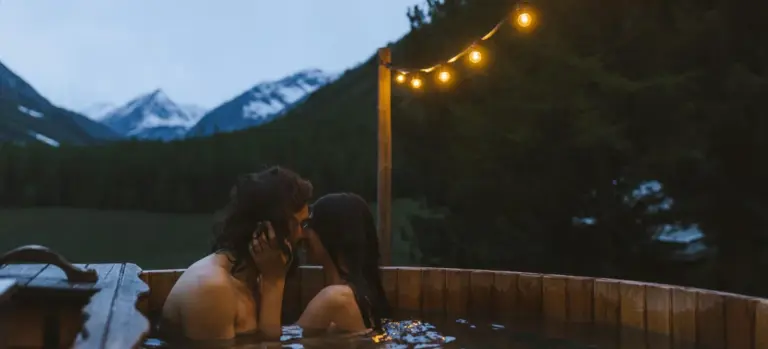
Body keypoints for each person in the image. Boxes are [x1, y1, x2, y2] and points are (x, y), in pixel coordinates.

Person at [159, 166, 312, 344]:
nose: (304, 235)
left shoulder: (259, 276)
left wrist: (274, 282)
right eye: (299, 225)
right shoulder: (212, 289)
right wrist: (274, 282)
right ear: (265, 231)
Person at [256, 192, 391, 337]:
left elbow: (272, 344)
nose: (303, 233)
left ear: (334, 233)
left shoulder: (334, 298)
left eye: (309, 224)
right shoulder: (362, 296)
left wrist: (274, 279)